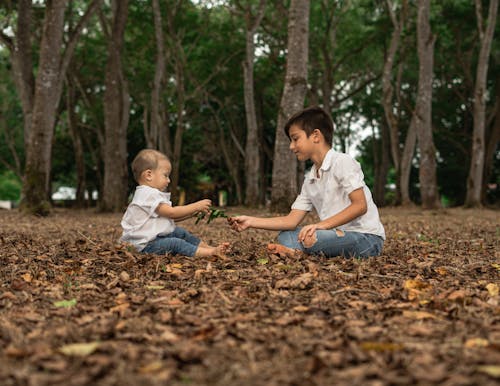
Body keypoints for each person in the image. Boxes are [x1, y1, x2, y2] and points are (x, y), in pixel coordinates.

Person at [228, 106, 385, 258]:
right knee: (287, 235)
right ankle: (300, 253)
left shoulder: (342, 162)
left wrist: (321, 226)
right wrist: (250, 221)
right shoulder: (310, 179)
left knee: (314, 237)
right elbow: (290, 221)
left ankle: (301, 251)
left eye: (295, 139)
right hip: (330, 235)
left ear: (316, 136)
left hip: (366, 239)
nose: (291, 146)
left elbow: (360, 205)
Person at [121, 149, 229, 257]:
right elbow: (172, 213)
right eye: (165, 175)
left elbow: (169, 218)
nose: (168, 180)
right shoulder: (148, 194)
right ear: (149, 175)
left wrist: (191, 213)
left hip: (152, 238)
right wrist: (196, 206)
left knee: (179, 232)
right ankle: (211, 253)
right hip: (145, 246)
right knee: (175, 243)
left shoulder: (146, 193)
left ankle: (210, 248)